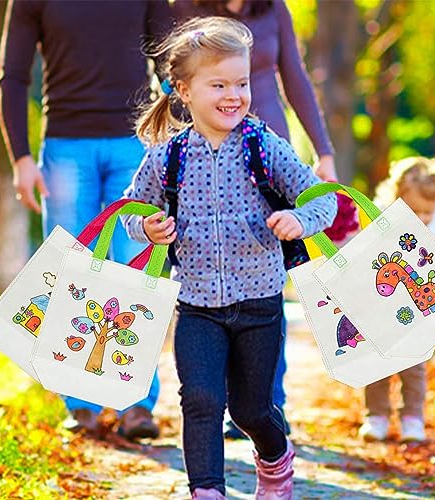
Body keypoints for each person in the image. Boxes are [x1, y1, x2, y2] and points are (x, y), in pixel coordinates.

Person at [122, 16, 337, 498]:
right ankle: (208, 490)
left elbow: (323, 198)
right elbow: (131, 212)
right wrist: (149, 228)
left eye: (241, 83)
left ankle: (276, 460)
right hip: (197, 306)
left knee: (251, 410)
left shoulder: (263, 146)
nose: (234, 95)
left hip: (259, 303)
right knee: (200, 400)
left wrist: (301, 221)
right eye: (218, 84)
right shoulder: (167, 157)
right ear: (183, 89)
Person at [0, 0, 172, 440]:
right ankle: (80, 402)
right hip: (65, 147)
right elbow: (12, 77)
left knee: (134, 270)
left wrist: (175, 138)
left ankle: (136, 402)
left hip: (135, 144)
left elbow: (170, 62)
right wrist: (20, 158)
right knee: (73, 271)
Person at [171, 0, 338, 439]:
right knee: (219, 284)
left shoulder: (273, 9)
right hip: (208, 153)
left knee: (263, 277)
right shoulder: (186, 8)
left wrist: (324, 152)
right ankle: (232, 402)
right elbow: (176, 76)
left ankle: (265, 405)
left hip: (264, 158)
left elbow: (295, 77)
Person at [359, 156, 435, 443]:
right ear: (397, 197)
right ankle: (376, 416)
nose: (422, 218)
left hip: (419, 312)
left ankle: (412, 419)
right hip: (382, 309)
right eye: (415, 210)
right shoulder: (382, 221)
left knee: (413, 368)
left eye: (429, 211)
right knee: (376, 363)